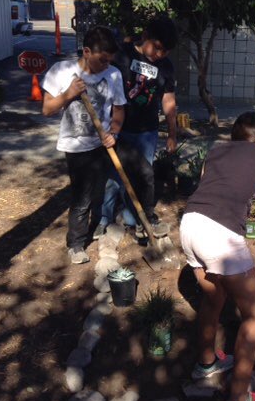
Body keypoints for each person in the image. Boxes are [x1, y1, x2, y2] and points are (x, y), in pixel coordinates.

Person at [179, 112, 255, 401]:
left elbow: (210, 191)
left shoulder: (216, 150)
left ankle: (207, 362)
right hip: (218, 235)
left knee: (214, 298)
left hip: (189, 224)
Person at [42, 26, 127, 264]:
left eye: (110, 60)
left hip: (103, 144)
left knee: (102, 189)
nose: (106, 65)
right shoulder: (62, 71)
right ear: (87, 51)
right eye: (102, 60)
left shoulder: (113, 75)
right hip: (76, 147)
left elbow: (119, 108)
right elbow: (47, 109)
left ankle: (98, 225)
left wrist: (114, 132)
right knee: (82, 197)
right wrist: (68, 94)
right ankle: (76, 244)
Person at [94, 15, 178, 239]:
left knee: (142, 176)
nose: (160, 55)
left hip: (147, 132)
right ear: (145, 37)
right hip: (117, 129)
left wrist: (172, 134)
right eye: (158, 48)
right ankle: (104, 218)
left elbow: (168, 101)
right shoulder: (122, 54)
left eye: (166, 51)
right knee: (113, 176)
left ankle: (136, 218)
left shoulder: (166, 67)